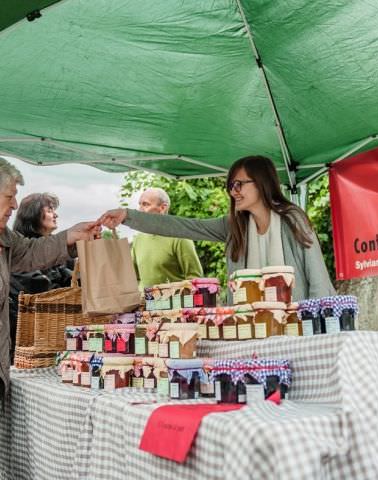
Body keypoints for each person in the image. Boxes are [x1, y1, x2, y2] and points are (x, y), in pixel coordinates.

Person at [99, 155, 335, 301]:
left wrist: (317, 325)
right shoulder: (234, 225)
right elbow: (182, 226)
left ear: (262, 183)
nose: (233, 191)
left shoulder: (292, 219)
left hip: (296, 327)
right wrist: (127, 215)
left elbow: (318, 278)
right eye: (231, 185)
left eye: (239, 184)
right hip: (248, 330)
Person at [0, 157, 100, 402]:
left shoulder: (5, 238)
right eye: (8, 196)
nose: (14, 204)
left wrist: (72, 235)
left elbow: (33, 252)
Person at [9, 193, 74, 359]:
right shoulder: (21, 252)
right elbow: (40, 289)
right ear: (33, 214)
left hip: (57, 338)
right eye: (50, 210)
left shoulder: (61, 253)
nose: (56, 214)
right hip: (27, 343)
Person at [131, 188, 202, 289]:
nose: (140, 209)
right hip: (143, 303)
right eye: (140, 204)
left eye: (145, 204)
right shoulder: (138, 239)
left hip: (174, 303)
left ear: (163, 208)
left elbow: (194, 278)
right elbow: (133, 277)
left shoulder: (180, 237)